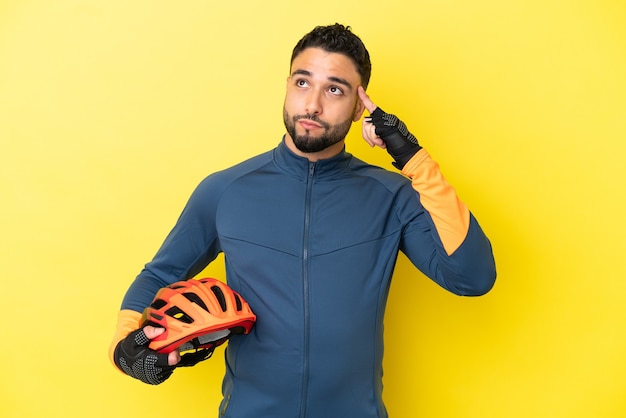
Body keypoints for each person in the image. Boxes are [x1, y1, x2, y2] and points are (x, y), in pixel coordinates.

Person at [109, 23, 496, 418]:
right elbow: (158, 276)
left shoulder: (391, 196)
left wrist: (413, 158)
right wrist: (128, 348)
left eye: (334, 89)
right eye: (302, 82)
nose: (312, 104)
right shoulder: (226, 190)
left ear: (360, 107)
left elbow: (472, 277)